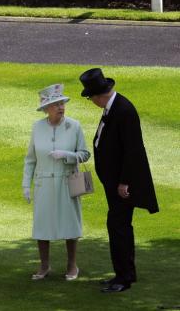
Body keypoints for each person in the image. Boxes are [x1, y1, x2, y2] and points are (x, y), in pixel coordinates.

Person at [79, 68, 159, 293]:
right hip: (113, 182)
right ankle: (122, 274)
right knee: (117, 226)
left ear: (99, 95)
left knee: (119, 227)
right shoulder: (112, 108)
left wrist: (124, 182)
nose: (92, 101)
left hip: (122, 186)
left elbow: (133, 151)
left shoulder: (123, 110)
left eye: (91, 97)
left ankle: (124, 278)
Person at [22, 84, 90, 281]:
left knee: (70, 224)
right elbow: (30, 159)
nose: (60, 107)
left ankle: (72, 264)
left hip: (67, 181)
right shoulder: (37, 127)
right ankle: (44, 265)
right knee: (42, 225)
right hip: (43, 183)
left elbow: (84, 154)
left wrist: (67, 155)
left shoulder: (74, 126)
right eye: (55, 104)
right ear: (46, 108)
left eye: (62, 103)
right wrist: (26, 184)